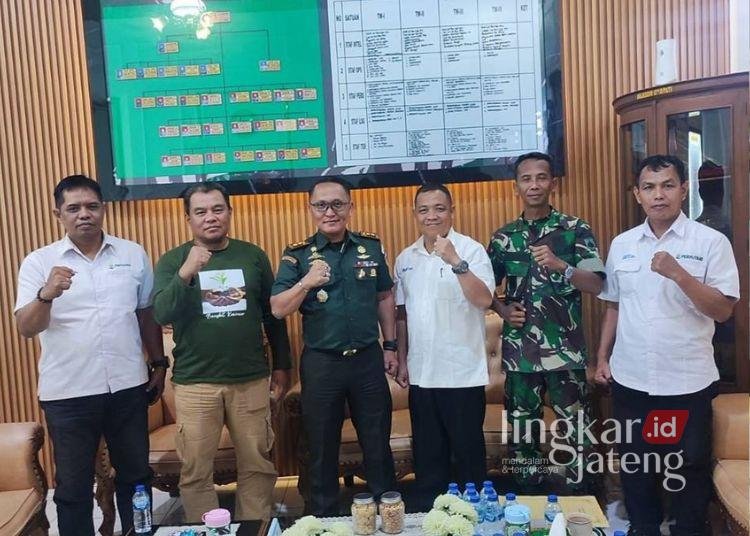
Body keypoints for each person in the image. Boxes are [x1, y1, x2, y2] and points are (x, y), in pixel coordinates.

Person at [595, 155, 739, 536]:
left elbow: (723, 310)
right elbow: (613, 304)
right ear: (637, 194)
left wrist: (680, 275)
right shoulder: (623, 244)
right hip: (632, 381)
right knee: (636, 467)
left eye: (667, 185)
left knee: (688, 469)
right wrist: (602, 357)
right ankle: (643, 529)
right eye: (649, 187)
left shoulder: (711, 242)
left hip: (686, 382)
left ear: (683, 190)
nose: (659, 195)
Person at [14, 175, 165, 536]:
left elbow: (146, 313)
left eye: (91, 206)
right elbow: (26, 327)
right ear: (58, 214)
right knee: (73, 489)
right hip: (68, 394)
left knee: (136, 479)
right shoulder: (39, 262)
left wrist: (159, 363)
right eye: (74, 208)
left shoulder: (132, 253)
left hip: (127, 387)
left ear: (103, 209)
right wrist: (46, 293)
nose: (84, 214)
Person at [152, 183, 291, 521]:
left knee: (257, 463)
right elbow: (161, 313)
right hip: (195, 383)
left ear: (230, 212)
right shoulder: (173, 260)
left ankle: (253, 526)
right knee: (197, 469)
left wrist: (283, 365)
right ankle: (206, 529)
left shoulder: (252, 255)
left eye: (217, 209)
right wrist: (187, 271)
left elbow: (272, 315)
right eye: (200, 212)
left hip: (250, 379)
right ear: (188, 218)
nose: (210, 217)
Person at [270, 177, 397, 516]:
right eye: (321, 205)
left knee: (376, 441)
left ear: (350, 207)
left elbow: (384, 296)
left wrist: (392, 345)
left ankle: (385, 513)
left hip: (368, 361)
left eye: (338, 204)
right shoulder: (296, 256)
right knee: (321, 446)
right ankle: (322, 517)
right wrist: (307, 282)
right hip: (323, 364)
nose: (330, 212)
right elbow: (278, 307)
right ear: (311, 210)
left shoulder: (369, 247)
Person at [486, 152, 605, 492]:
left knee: (576, 429)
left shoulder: (574, 229)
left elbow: (597, 284)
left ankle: (581, 499)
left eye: (541, 177)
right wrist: (502, 308)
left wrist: (562, 266)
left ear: (553, 183)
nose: (534, 184)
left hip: (565, 353)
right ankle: (528, 500)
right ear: (516, 186)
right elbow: (484, 289)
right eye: (526, 179)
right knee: (523, 431)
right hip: (520, 353)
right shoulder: (503, 237)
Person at [393, 183, 494, 510]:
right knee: (429, 461)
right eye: (424, 209)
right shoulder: (405, 258)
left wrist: (456, 262)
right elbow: (402, 315)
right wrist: (404, 359)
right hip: (423, 376)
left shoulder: (472, 250)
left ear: (452, 212)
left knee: (468, 459)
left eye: (439, 208)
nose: (431, 215)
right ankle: (431, 521)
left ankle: (475, 520)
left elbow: (484, 300)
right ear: (414, 215)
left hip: (462, 375)